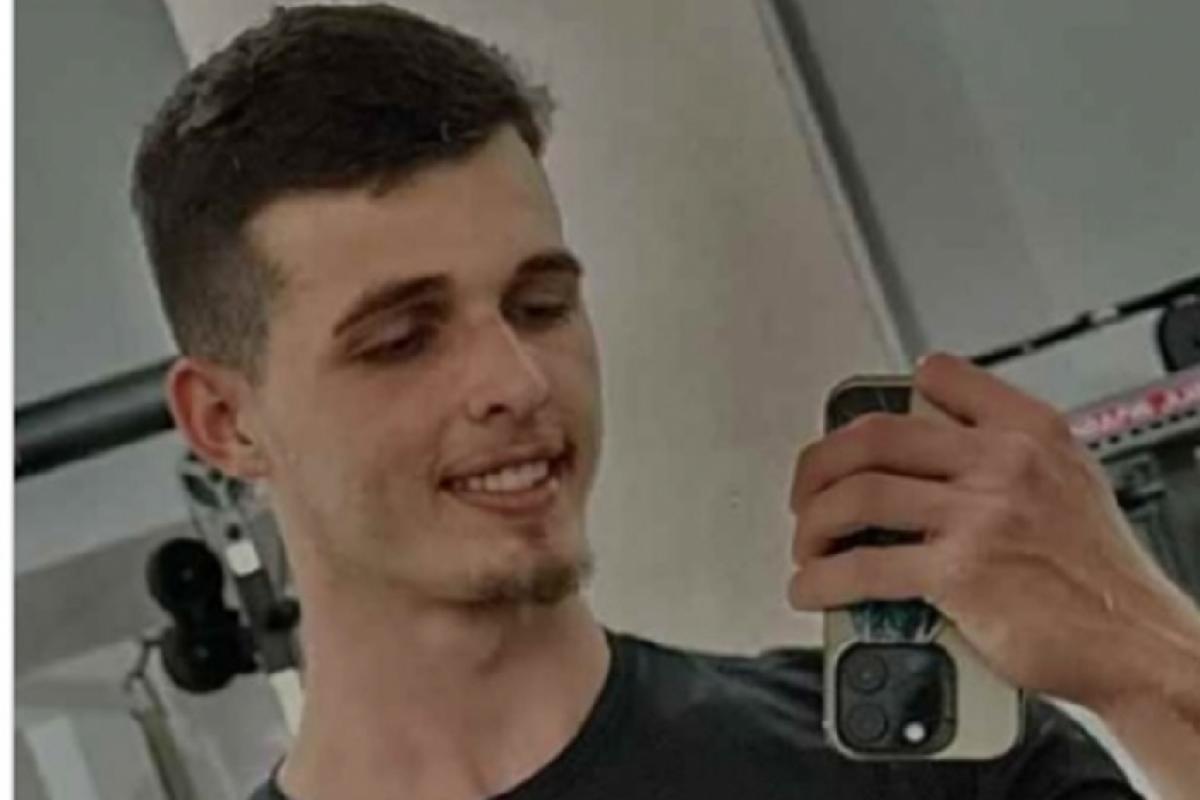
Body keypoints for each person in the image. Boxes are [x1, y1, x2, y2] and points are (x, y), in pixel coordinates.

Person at [130, 5, 1199, 799]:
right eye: (402, 340)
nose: (516, 381)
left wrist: (1153, 656)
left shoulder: (909, 773)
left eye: (541, 305)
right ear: (226, 421)